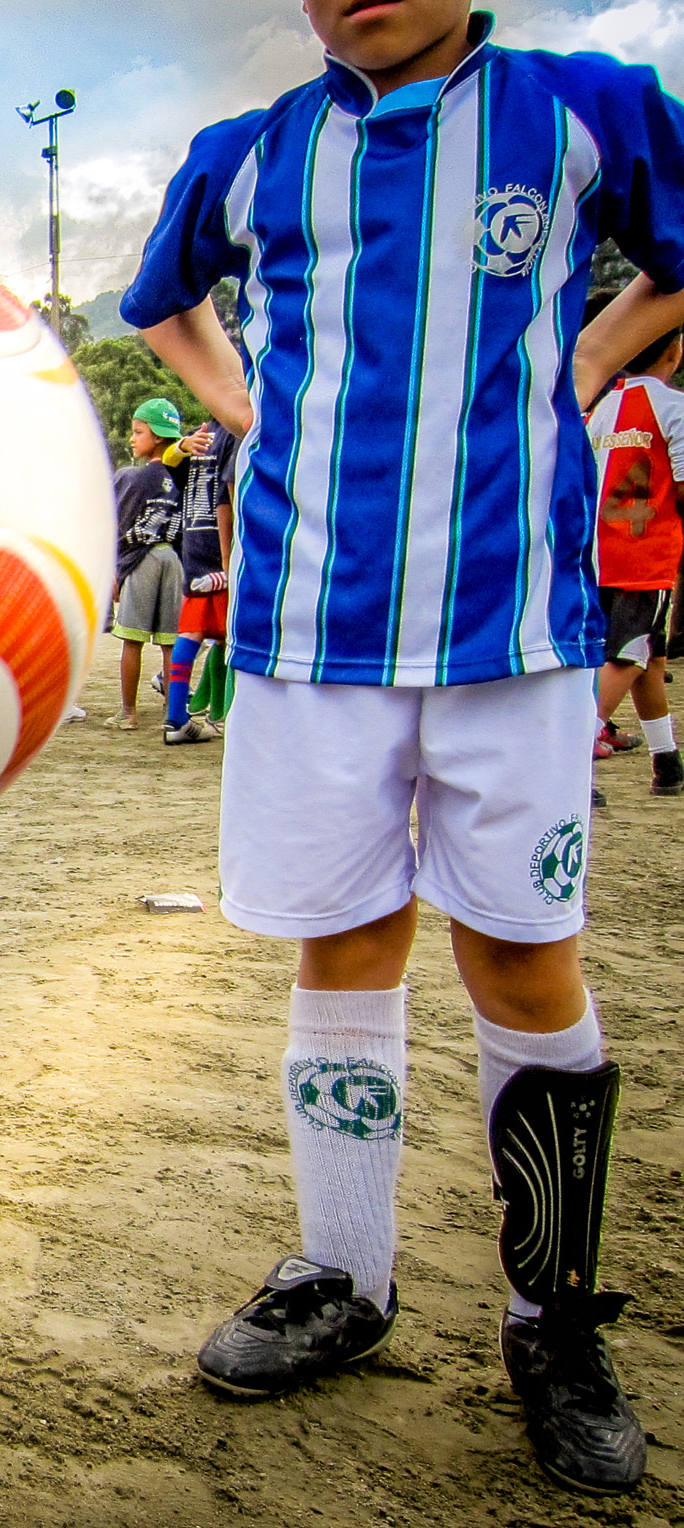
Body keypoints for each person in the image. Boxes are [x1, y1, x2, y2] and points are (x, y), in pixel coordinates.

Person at [124, 0, 684, 1495]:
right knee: (344, 944)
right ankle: (343, 1276)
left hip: (518, 631)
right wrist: (237, 400)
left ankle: (553, 1315)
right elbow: (161, 305)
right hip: (312, 635)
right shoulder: (253, 153)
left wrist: (583, 365)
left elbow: (675, 266)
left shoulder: (586, 113)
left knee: (523, 958)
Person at [582, 293, 683, 797]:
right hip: (647, 555)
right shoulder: (673, 407)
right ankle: (574, 749)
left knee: (649, 656)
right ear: (675, 351)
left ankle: (667, 762)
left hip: (603, 552)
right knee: (628, 655)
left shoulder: (605, 407)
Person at [104, 399, 184, 731]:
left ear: (158, 438)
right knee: (170, 642)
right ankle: (172, 712)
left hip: (143, 560)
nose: (132, 439)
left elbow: (122, 528)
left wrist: (116, 570)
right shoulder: (179, 478)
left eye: (139, 432)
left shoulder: (137, 478)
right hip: (173, 560)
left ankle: (129, 713)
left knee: (132, 640)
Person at [162, 422, 237, 745]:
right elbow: (226, 498)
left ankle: (176, 717)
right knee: (230, 639)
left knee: (192, 632)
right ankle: (223, 716)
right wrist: (228, 560)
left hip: (193, 545)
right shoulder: (236, 433)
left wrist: (178, 448)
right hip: (220, 548)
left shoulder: (199, 434)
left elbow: (170, 468)